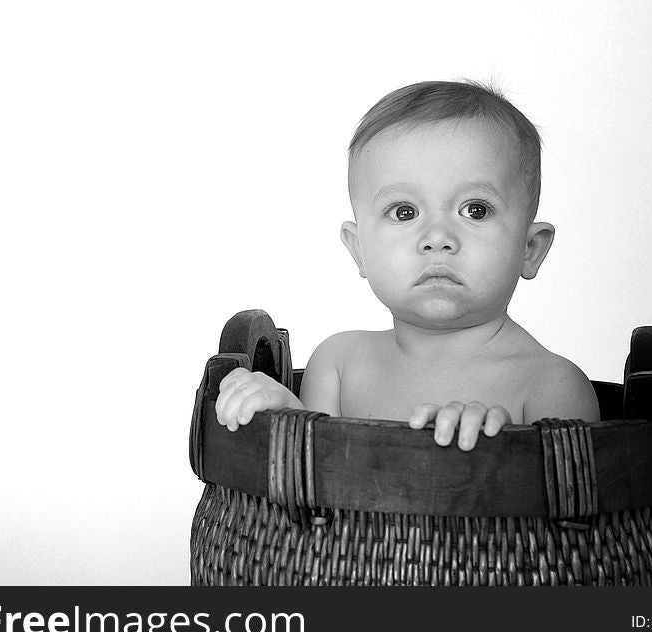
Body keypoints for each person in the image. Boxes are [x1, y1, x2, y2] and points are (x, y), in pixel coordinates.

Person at [215, 80, 600, 450]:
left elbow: (575, 503)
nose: (437, 237)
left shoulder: (551, 385)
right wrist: (284, 414)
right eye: (404, 212)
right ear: (359, 250)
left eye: (475, 210)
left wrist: (498, 458)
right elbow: (312, 491)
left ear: (530, 249)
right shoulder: (340, 363)